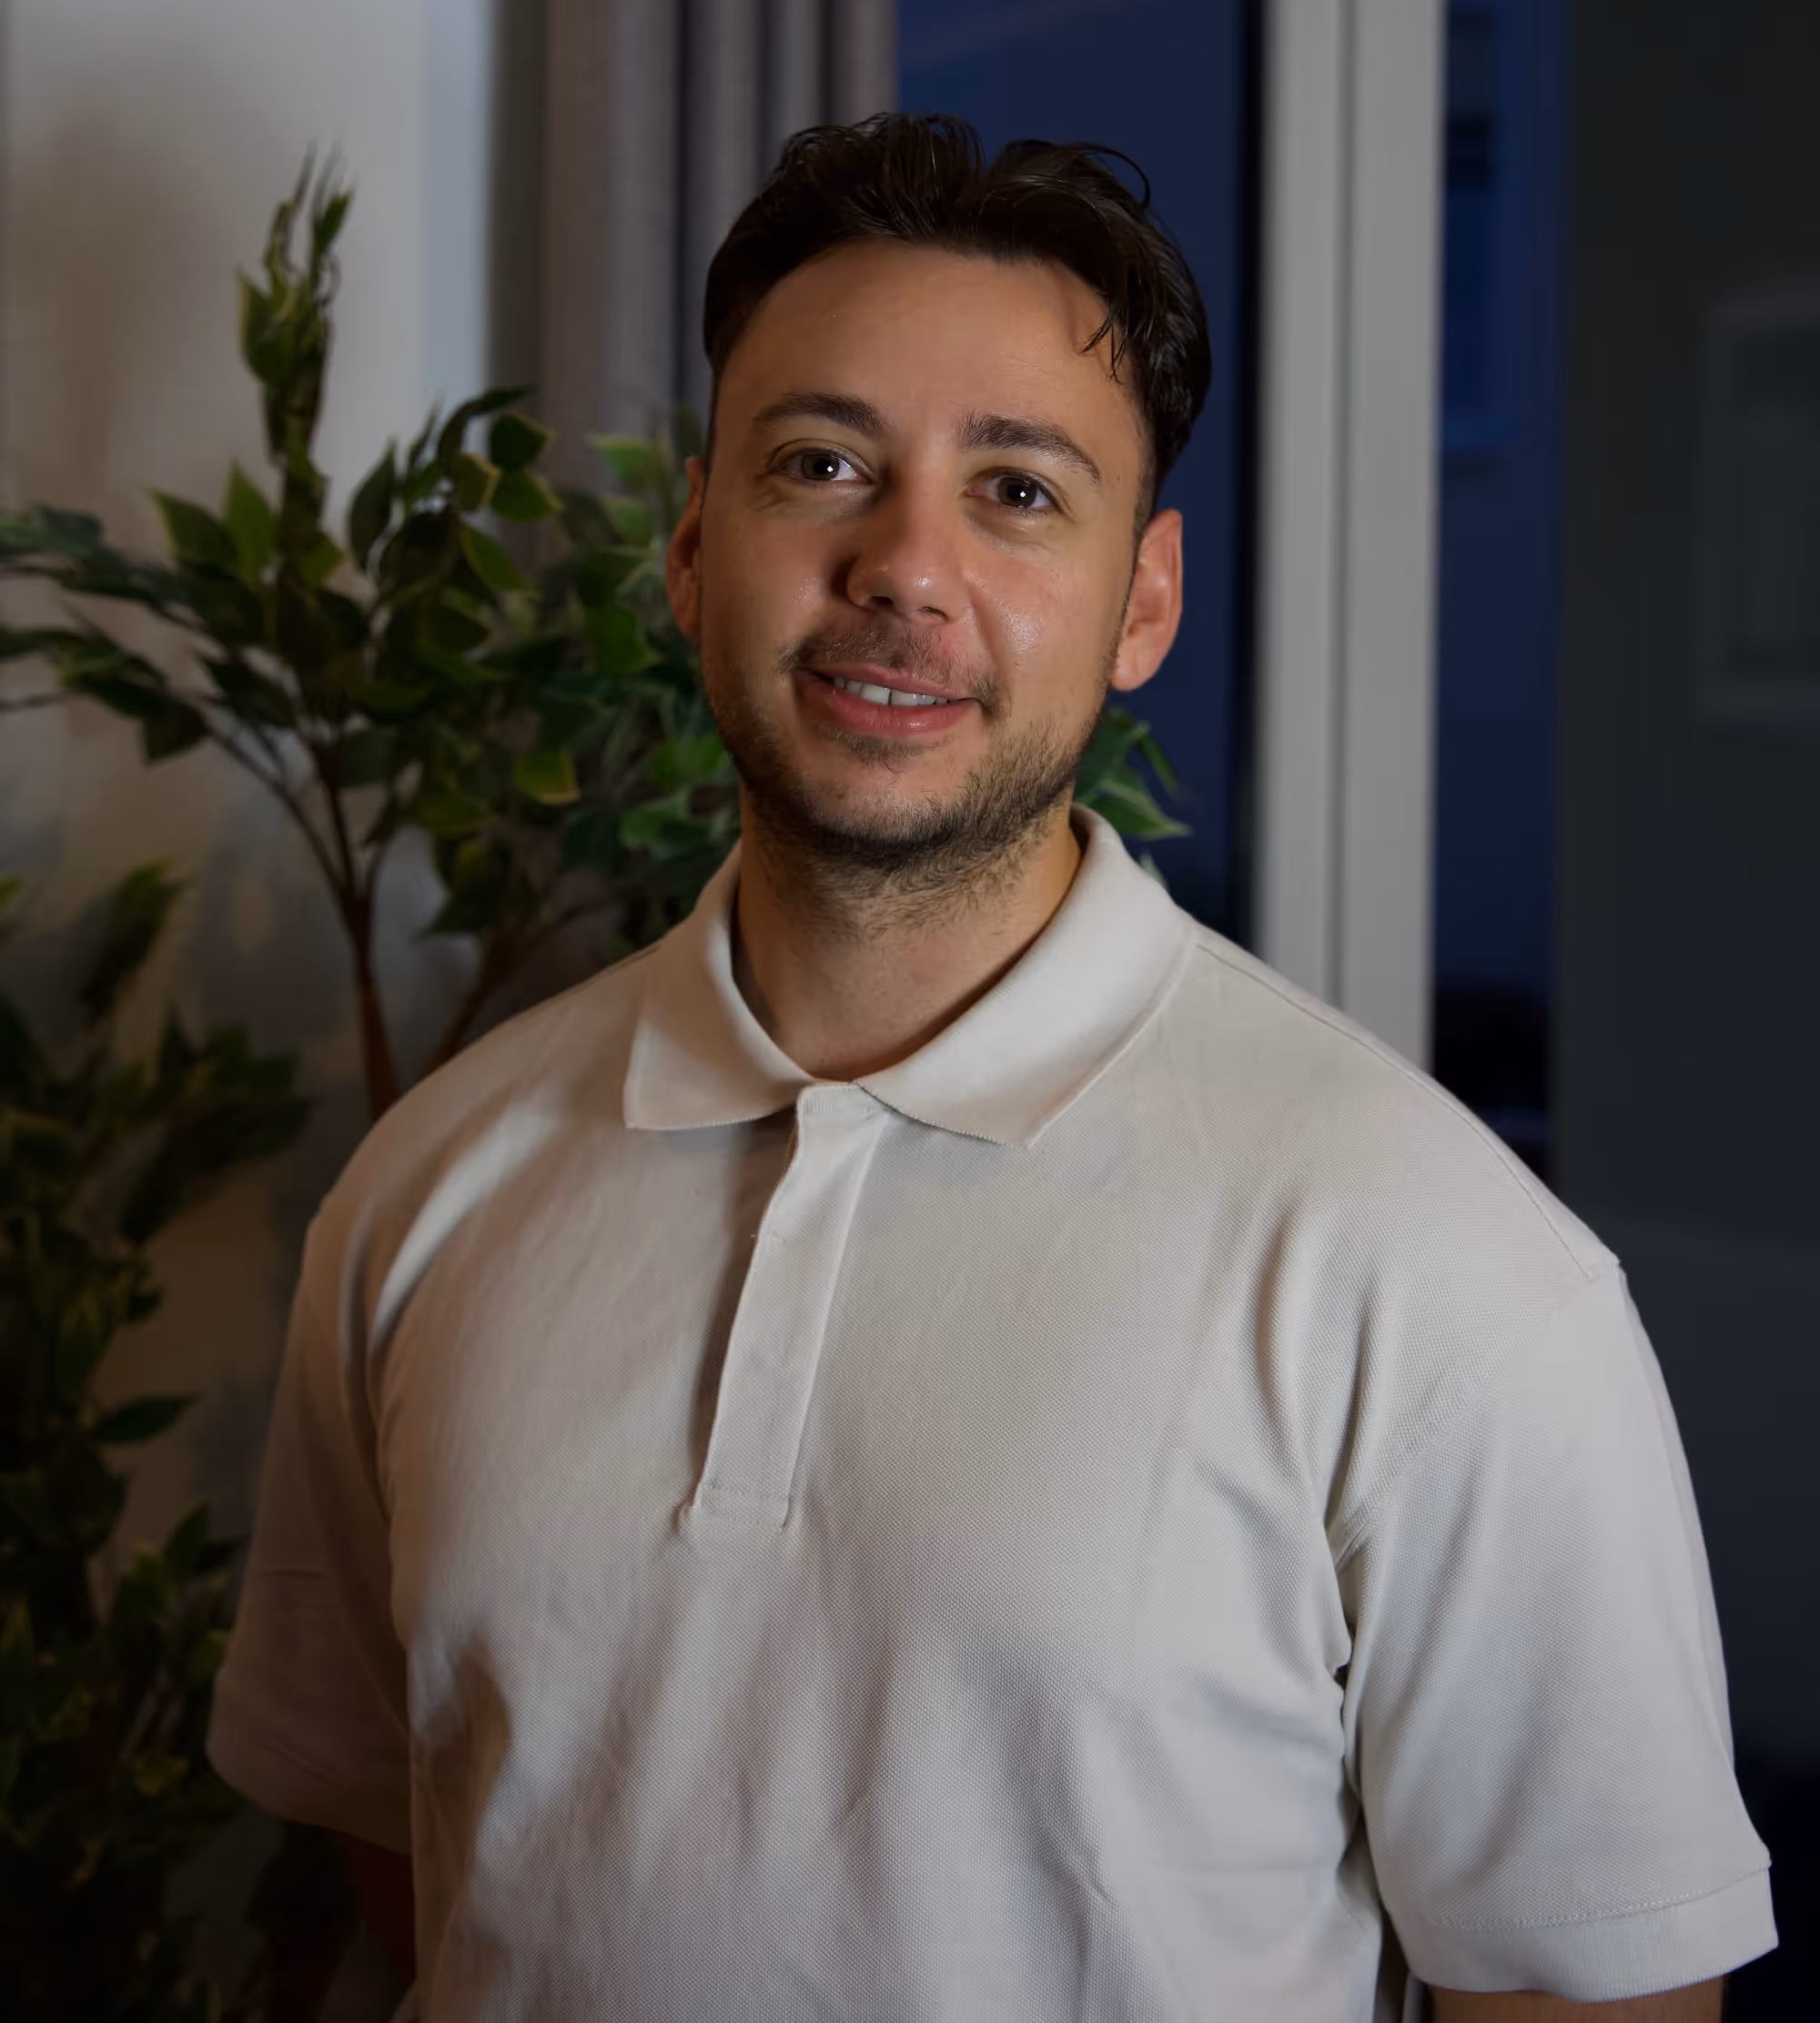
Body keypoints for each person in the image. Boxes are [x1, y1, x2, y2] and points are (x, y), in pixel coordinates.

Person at [209, 114, 1775, 2021]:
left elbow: (1590, 1999)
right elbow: (421, 1847)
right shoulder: (428, 1186)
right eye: (820, 463)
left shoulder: (1441, 1270)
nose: (903, 565)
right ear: (698, 552)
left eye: (1018, 491)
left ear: (1142, 603)